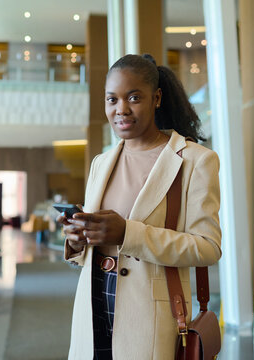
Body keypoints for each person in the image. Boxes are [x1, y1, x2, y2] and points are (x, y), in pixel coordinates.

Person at [56, 54, 222, 360]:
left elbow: (208, 248)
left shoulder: (195, 161)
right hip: (92, 304)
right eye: (112, 99)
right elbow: (94, 245)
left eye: (134, 98)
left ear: (156, 98)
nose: (121, 109)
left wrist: (128, 233)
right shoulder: (101, 163)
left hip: (148, 316)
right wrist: (78, 238)